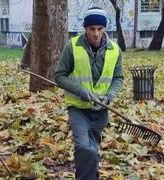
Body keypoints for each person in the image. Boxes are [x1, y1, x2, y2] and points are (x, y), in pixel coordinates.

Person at [54, 7, 124, 180]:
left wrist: (109, 96)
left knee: (92, 150)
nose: (96, 33)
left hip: (101, 110)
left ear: (105, 28)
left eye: (100, 29)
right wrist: (79, 90)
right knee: (84, 147)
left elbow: (118, 78)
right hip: (78, 108)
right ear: (85, 28)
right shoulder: (73, 46)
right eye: (92, 29)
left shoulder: (115, 50)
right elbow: (59, 76)